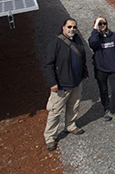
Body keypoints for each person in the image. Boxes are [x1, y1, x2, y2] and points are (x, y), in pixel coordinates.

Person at [43, 18, 88, 152]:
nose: (72, 30)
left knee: (74, 105)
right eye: (69, 27)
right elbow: (48, 65)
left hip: (76, 81)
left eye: (74, 27)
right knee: (55, 110)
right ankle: (50, 137)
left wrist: (84, 72)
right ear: (63, 28)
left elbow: (82, 57)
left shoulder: (78, 40)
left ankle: (70, 125)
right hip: (62, 84)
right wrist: (52, 83)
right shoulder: (55, 44)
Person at [88, 16, 115, 123]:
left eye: (104, 23)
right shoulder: (95, 38)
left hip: (113, 69)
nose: (102, 25)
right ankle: (106, 109)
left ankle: (113, 110)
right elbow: (92, 43)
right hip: (100, 69)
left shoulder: (113, 36)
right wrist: (95, 30)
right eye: (100, 24)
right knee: (103, 91)